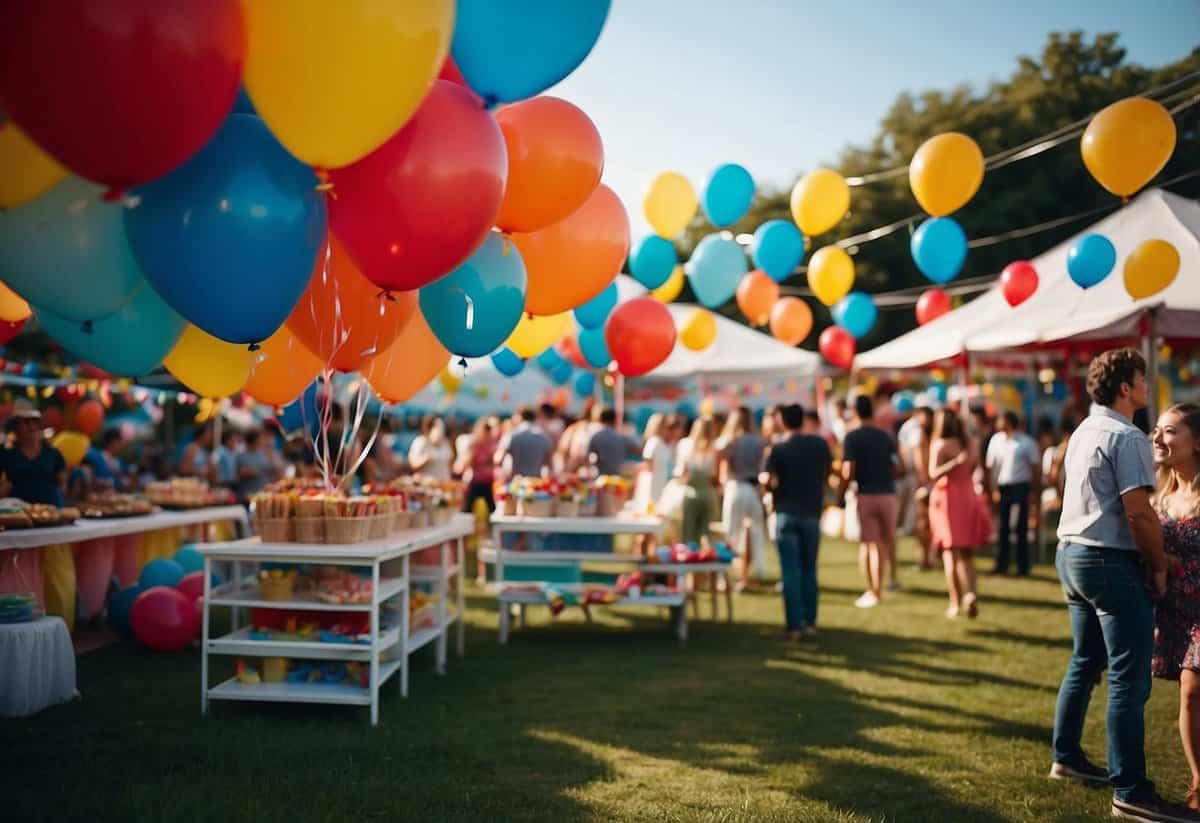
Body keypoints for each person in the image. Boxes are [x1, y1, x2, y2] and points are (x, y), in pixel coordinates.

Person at [1049, 348, 1193, 823]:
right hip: (1107, 560)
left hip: (1070, 554)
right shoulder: (1126, 435)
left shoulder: (1083, 431)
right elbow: (1138, 513)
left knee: (1085, 660)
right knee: (1128, 681)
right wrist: (1157, 564)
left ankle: (1066, 756)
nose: (1148, 387)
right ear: (1126, 387)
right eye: (1143, 379)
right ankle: (1130, 789)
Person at [1151, 403, 1200, 811]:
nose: (1158, 438)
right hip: (1176, 609)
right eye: (1157, 430)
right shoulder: (1160, 494)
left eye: (1170, 431)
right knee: (1190, 695)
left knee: (1192, 687)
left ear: (1196, 441)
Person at [763, 404, 832, 639]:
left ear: (783, 421)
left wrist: (772, 493)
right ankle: (809, 622)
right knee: (808, 570)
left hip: (786, 512)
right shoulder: (819, 445)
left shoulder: (779, 448)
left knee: (791, 572)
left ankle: (794, 626)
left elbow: (767, 479)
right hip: (811, 512)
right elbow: (827, 471)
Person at [842, 394, 902, 608]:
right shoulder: (885, 437)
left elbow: (848, 470)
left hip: (866, 494)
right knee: (887, 541)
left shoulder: (852, 437)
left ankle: (873, 590)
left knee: (870, 544)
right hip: (888, 493)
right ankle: (889, 580)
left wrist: (842, 483)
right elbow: (898, 466)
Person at [927, 410, 988, 618]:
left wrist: (952, 463)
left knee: (950, 552)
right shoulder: (970, 443)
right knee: (967, 553)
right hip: (967, 494)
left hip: (948, 498)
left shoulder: (940, 444)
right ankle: (970, 594)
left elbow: (933, 473)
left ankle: (955, 601)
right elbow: (974, 469)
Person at [986, 411, 1042, 577]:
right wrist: (993, 488)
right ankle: (1001, 563)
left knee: (1020, 527)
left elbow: (1035, 469)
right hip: (1004, 488)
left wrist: (1034, 491)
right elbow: (991, 467)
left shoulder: (1026, 443)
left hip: (1020, 487)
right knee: (1002, 527)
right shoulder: (996, 441)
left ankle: (1022, 566)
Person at [719, 407, 768, 588]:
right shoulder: (759, 441)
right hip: (753, 488)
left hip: (735, 487)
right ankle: (758, 571)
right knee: (756, 534)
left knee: (731, 534)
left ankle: (727, 575)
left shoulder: (730, 442)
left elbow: (723, 470)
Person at [0, 402, 66, 505]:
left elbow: (62, 483)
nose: (31, 426)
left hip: (49, 511)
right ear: (16, 427)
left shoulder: (53, 454)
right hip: (18, 512)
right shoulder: (7, 455)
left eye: (35, 421)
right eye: (26, 422)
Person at [677, 418, 718, 545]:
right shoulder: (715, 446)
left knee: (689, 534)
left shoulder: (684, 444)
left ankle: (690, 559)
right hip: (709, 493)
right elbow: (715, 474)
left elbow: (681, 472)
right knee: (708, 534)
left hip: (690, 493)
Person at [455, 418, 497, 514]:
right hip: (475, 481)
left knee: (491, 509)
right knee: (467, 509)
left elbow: (493, 462)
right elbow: (468, 462)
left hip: (487, 481)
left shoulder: (490, 444)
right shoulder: (474, 444)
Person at [497, 407, 552, 478]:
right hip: (535, 481)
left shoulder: (511, 435)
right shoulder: (544, 437)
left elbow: (498, 459)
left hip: (515, 481)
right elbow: (549, 463)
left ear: (519, 417)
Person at [587, 408, 640, 476]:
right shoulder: (621, 437)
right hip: (618, 477)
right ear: (615, 420)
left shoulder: (595, 437)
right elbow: (639, 450)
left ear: (600, 420)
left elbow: (589, 458)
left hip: (600, 477)